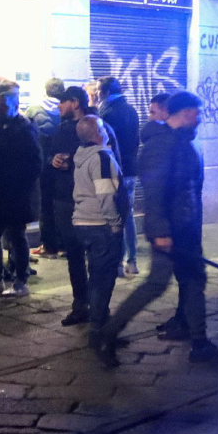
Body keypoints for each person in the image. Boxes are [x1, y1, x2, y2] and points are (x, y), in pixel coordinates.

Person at [90, 91, 218, 368]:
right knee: (156, 284)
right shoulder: (162, 145)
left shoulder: (183, 143)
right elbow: (155, 192)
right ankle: (105, 334)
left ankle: (200, 342)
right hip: (170, 230)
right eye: (196, 112)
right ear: (184, 113)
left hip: (185, 229)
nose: (200, 117)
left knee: (193, 282)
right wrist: (159, 231)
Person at [50, 87, 120, 326]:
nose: (59, 107)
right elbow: (48, 158)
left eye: (62, 102)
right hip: (66, 201)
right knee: (75, 258)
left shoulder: (100, 127)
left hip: (93, 207)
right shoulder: (62, 129)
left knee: (98, 263)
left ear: (75, 103)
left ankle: (99, 311)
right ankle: (81, 305)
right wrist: (54, 160)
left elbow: (112, 163)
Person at [0, 87, 42, 299]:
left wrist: (20, 188)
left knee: (17, 237)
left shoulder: (25, 129)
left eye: (3, 106)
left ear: (16, 107)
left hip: (16, 195)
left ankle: (21, 280)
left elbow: (35, 164)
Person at [72, 115, 125, 333]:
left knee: (96, 274)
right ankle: (100, 329)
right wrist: (115, 224)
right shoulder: (101, 157)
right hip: (100, 224)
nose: (106, 131)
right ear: (97, 134)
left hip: (82, 222)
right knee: (104, 279)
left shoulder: (81, 156)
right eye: (102, 128)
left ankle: (100, 322)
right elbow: (106, 195)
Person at [95, 76, 141, 277]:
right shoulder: (131, 110)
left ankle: (118, 263)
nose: (96, 94)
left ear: (104, 92)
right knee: (127, 214)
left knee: (114, 217)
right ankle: (132, 260)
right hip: (131, 169)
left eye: (98, 90)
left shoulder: (106, 112)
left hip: (115, 170)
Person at [26, 77, 64, 259]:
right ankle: (64, 243)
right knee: (62, 205)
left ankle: (49, 246)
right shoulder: (66, 111)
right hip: (64, 165)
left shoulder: (33, 110)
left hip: (41, 165)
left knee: (45, 206)